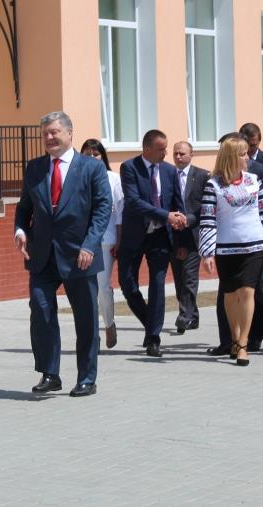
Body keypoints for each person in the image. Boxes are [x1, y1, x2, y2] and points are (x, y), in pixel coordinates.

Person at [14, 112, 112, 397]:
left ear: (70, 133)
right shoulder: (35, 168)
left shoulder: (91, 168)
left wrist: (89, 245)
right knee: (41, 310)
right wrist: (20, 230)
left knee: (86, 318)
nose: (49, 138)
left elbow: (102, 209)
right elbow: (24, 207)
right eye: (45, 133)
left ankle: (87, 378)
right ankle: (50, 373)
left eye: (54, 132)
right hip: (42, 255)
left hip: (80, 254)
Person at [206, 131, 263, 356]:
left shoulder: (258, 174)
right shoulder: (213, 183)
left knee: (256, 290)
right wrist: (207, 251)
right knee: (228, 294)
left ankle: (253, 339)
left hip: (256, 244)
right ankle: (229, 341)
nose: (247, 157)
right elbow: (208, 217)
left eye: (246, 152)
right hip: (227, 247)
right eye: (242, 154)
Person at [118, 129, 187, 358]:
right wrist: (166, 215)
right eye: (160, 149)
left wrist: (181, 240)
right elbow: (134, 202)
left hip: (160, 237)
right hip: (134, 235)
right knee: (127, 285)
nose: (165, 153)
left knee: (157, 285)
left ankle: (153, 338)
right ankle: (151, 323)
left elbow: (177, 204)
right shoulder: (129, 168)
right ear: (146, 149)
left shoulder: (169, 171)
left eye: (165, 148)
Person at [80, 138, 125, 348]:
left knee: (102, 287)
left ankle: (109, 324)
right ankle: (92, 336)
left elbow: (120, 211)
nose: (92, 157)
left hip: (106, 240)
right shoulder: (76, 176)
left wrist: (120, 239)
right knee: (86, 290)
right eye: (87, 154)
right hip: (81, 241)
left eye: (95, 154)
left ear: (102, 156)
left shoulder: (113, 178)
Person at [170, 141, 210, 334]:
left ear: (191, 154)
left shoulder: (202, 176)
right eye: (176, 153)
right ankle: (193, 316)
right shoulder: (168, 175)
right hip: (174, 235)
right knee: (179, 280)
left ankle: (184, 316)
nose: (178, 157)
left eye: (182, 153)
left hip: (194, 235)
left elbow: (206, 206)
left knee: (189, 277)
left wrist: (189, 220)